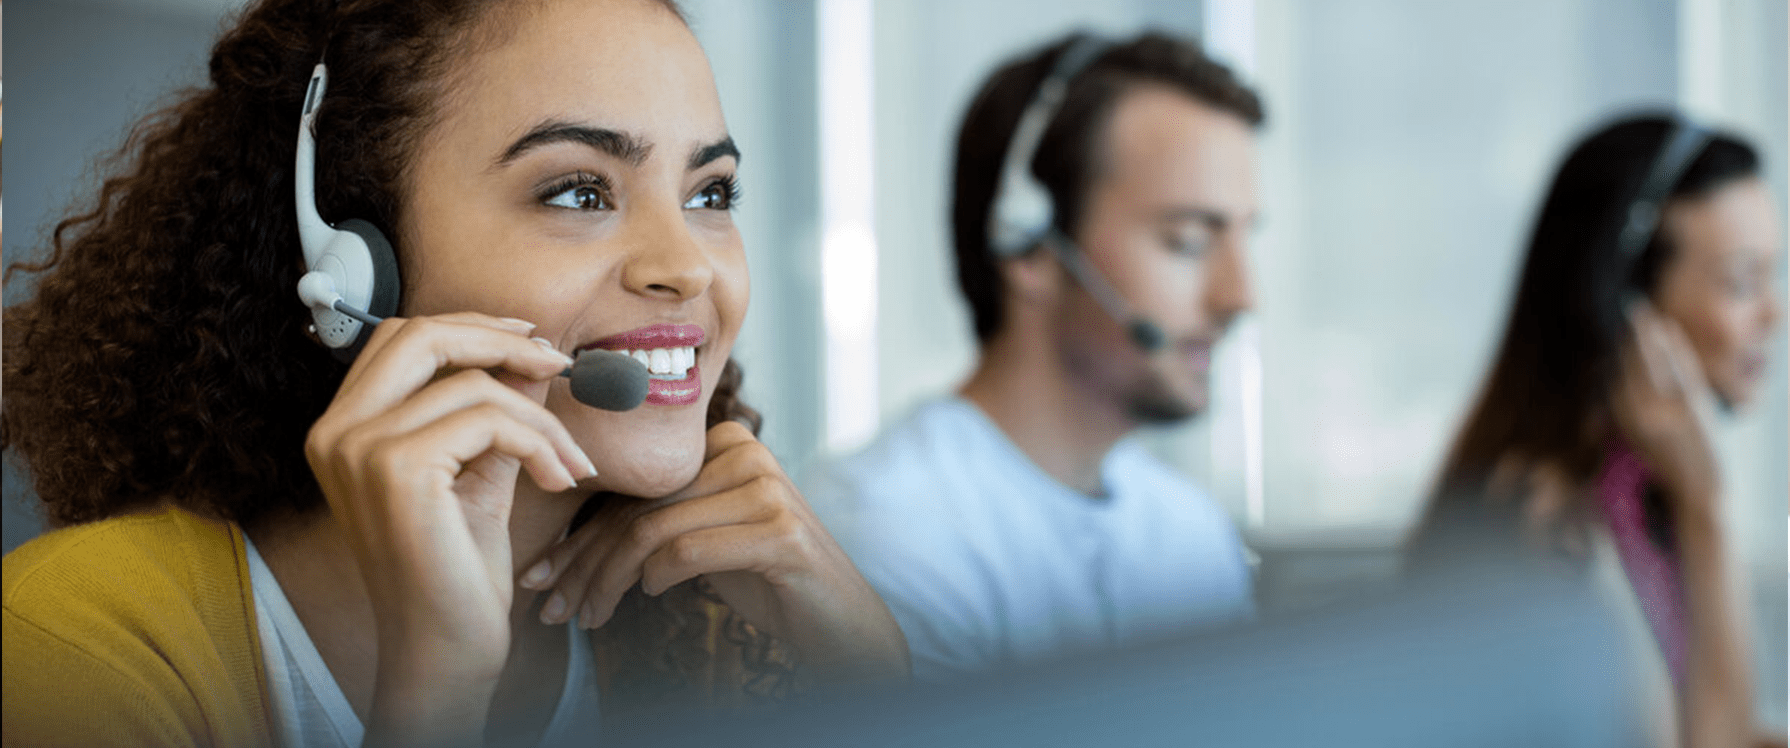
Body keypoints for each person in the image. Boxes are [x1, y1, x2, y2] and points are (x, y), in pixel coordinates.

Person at [1, 1, 908, 746]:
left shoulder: (697, 617)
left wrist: (874, 680)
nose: (690, 266)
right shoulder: (74, 648)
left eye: (709, 194)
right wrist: (434, 691)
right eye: (579, 192)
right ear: (356, 262)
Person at [798, 31, 1261, 682]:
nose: (1240, 296)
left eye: (1244, 239)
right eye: (1187, 241)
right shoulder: (884, 534)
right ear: (1029, 249)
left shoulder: (1191, 533)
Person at [1411, 113, 1782, 748]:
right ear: (1622, 302)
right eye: (1742, 282)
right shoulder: (1544, 523)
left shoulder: (1647, 493)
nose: (1774, 315)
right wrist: (1709, 507)